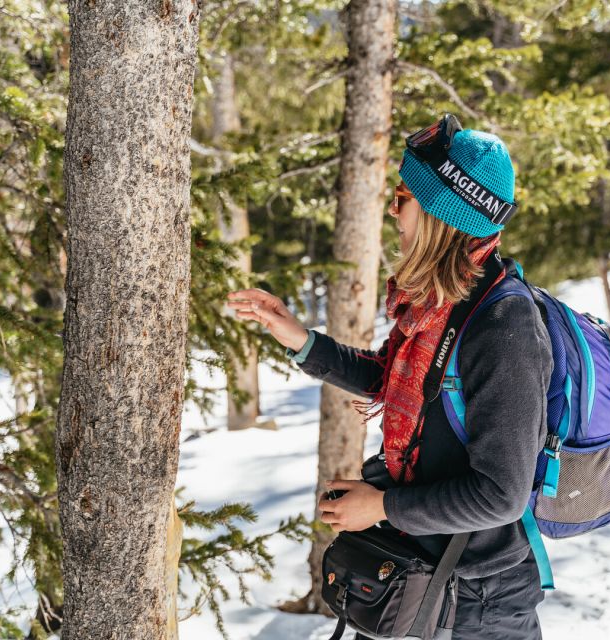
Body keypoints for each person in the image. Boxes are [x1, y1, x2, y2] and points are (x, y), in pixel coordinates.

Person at [228, 115, 553, 639]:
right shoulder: (439, 304)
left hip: (479, 602)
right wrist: (300, 339)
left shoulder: (502, 325)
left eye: (404, 195)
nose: (393, 209)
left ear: (439, 216)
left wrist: (379, 504)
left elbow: (501, 495)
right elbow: (396, 379)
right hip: (414, 571)